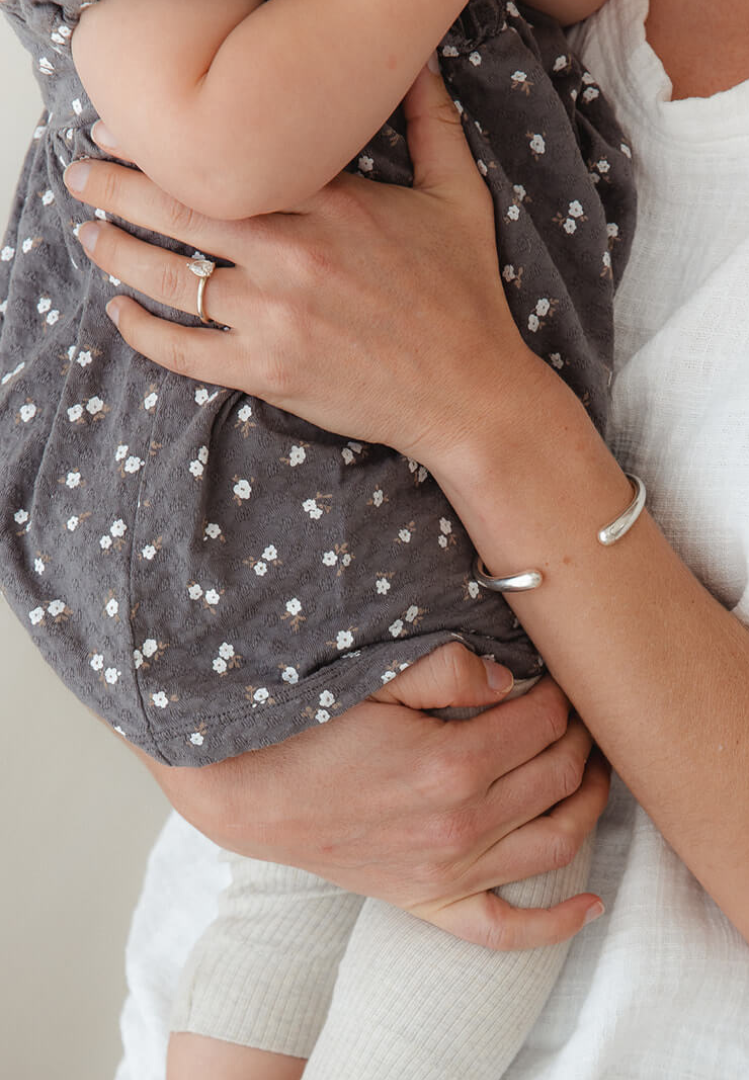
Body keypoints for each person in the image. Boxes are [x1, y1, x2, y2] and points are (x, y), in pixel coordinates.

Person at [60, 0, 749, 1075]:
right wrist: (214, 771)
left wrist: (474, 403)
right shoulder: (382, 31)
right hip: (219, 1004)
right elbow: (117, 432)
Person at [0, 0, 636, 1077]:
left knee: (291, 890)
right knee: (502, 811)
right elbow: (213, 138)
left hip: (288, 489)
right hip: (267, 481)